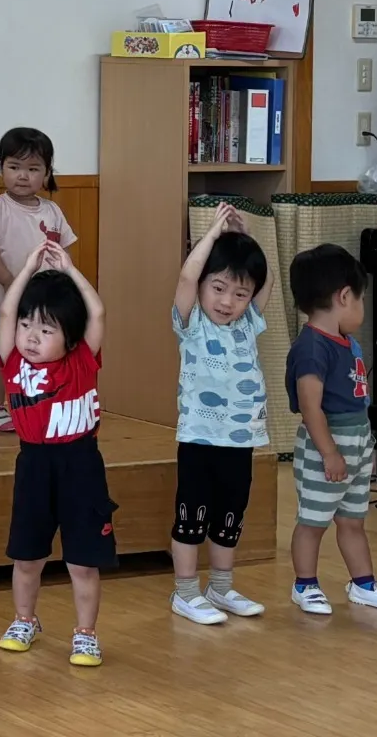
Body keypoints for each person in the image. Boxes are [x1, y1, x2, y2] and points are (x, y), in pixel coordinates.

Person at [0, 243, 114, 667]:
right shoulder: (13, 362)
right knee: (27, 557)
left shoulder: (82, 360)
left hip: (81, 466)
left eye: (46, 330)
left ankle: (85, 634)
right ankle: (24, 620)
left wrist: (71, 270)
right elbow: (6, 313)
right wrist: (27, 269)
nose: (30, 336)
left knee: (82, 562)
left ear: (71, 338)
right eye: (27, 325)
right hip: (34, 466)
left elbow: (97, 312)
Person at [170, 202, 272, 624]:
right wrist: (212, 235)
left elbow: (265, 282)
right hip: (199, 439)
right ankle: (185, 593)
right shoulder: (192, 322)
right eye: (218, 288)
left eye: (240, 293)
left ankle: (221, 587)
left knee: (231, 515)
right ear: (202, 287)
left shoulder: (248, 324)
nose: (228, 301)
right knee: (191, 516)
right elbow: (186, 276)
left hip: (240, 441)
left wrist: (245, 239)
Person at [284, 244, 377, 613]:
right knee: (313, 521)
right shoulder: (311, 348)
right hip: (326, 450)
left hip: (356, 445)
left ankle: (363, 584)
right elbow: (310, 406)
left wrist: (363, 448)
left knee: (352, 520)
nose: (361, 309)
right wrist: (330, 452)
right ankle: (305, 585)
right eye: (361, 299)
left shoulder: (345, 342)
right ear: (344, 296)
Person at [0, 128, 73, 434]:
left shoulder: (52, 211)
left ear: (47, 172)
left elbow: (63, 251)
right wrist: (8, 281)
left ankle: (34, 403)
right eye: (14, 167)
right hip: (2, 302)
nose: (23, 176)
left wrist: (63, 284)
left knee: (41, 354)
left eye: (33, 169)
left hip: (43, 305)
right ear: (1, 168)